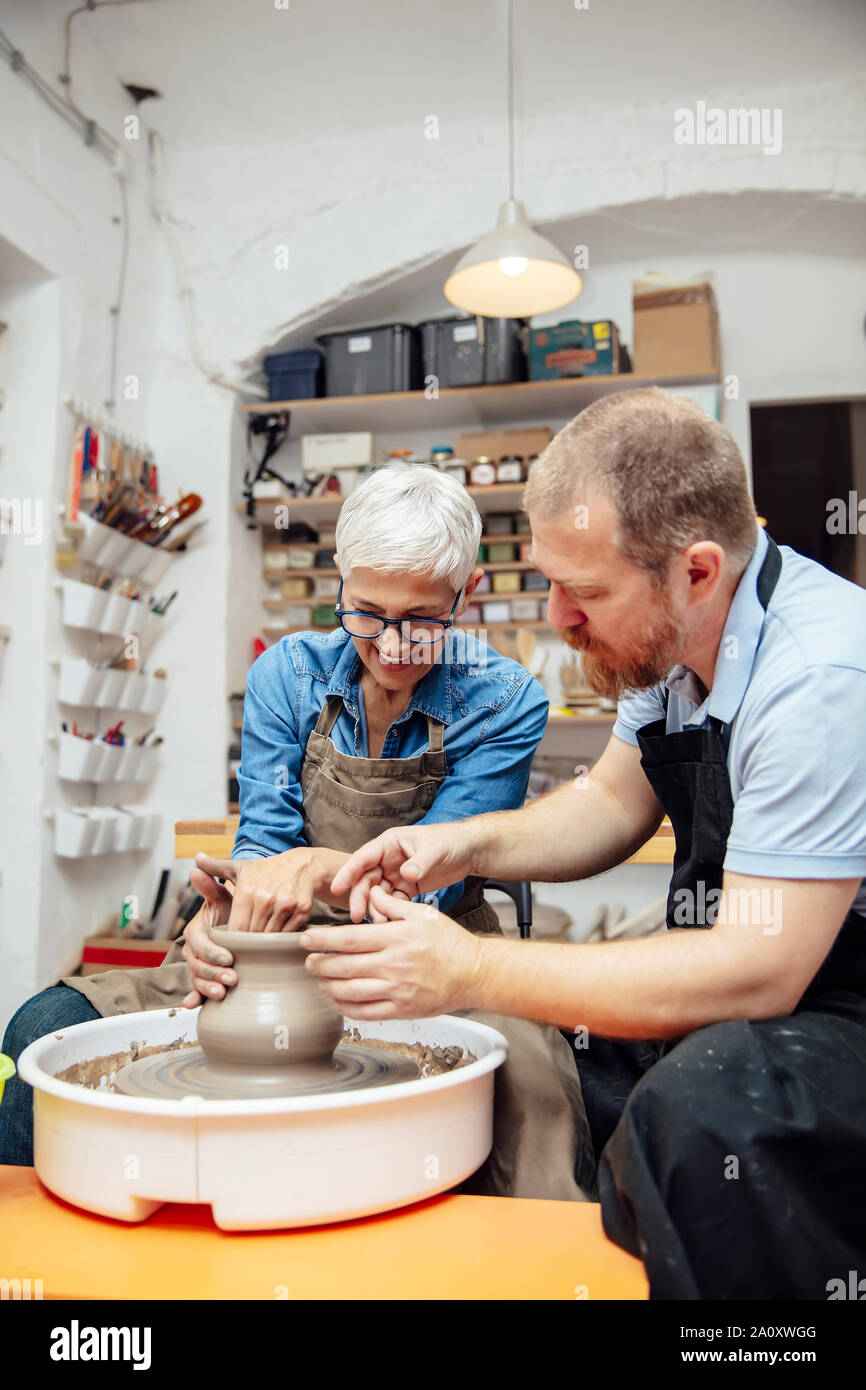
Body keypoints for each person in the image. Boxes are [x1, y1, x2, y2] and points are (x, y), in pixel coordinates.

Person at [313, 390, 866, 1299]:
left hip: (835, 1001)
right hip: (753, 975)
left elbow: (762, 972)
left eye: (586, 592)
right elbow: (613, 801)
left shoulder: (818, 676)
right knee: (524, 1063)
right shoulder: (668, 644)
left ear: (696, 570)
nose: (560, 618)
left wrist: (467, 969)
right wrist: (457, 845)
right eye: (549, 580)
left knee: (697, 1116)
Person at [1, 463, 588, 1201]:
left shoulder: (504, 699)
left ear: (466, 595)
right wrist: (223, 919)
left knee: (536, 1084)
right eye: (368, 612)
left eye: (422, 620)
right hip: (275, 945)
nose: (394, 645)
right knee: (44, 1022)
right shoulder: (290, 675)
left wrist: (314, 866)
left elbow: (430, 884)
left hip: (429, 951)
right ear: (339, 576)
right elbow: (263, 842)